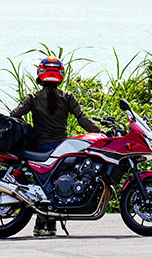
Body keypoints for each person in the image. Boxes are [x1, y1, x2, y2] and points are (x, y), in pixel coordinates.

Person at [10, 56, 102, 237]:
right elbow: (82, 119)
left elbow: (14, 115)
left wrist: (27, 131)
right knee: (58, 187)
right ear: (60, 75)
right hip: (62, 149)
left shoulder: (33, 98)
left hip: (39, 148)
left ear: (40, 74)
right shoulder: (67, 97)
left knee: (44, 187)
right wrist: (100, 133)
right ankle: (49, 226)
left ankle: (43, 225)